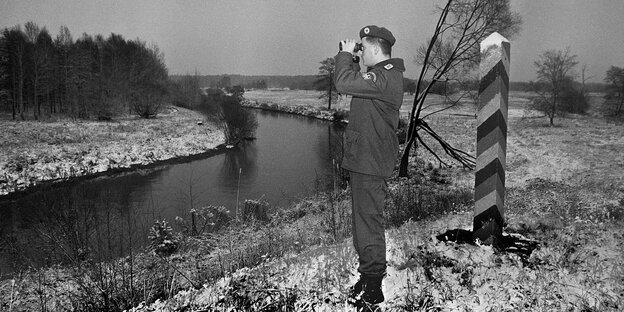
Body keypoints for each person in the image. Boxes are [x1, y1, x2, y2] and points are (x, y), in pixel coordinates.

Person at [334, 25, 405, 306]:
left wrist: (344, 55)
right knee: (364, 224)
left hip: (371, 162)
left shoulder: (385, 77)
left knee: (369, 225)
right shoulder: (381, 77)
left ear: (376, 49)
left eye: (363, 47)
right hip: (366, 160)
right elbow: (351, 81)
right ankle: (367, 278)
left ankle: (374, 288)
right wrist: (351, 59)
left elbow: (343, 83)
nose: (360, 52)